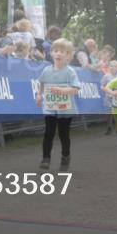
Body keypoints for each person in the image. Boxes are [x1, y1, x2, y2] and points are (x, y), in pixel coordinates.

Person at [36, 38, 80, 171]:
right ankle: (46, 159)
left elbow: (75, 89)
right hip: (50, 108)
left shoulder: (70, 72)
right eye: (56, 51)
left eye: (63, 52)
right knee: (48, 132)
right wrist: (39, 95)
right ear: (51, 53)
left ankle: (65, 157)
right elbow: (42, 83)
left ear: (69, 55)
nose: (59, 54)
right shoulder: (46, 70)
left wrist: (62, 91)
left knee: (63, 134)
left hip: (65, 110)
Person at [100, 60, 117, 135]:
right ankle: (109, 127)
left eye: (114, 66)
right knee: (109, 114)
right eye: (111, 66)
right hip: (108, 97)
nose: (112, 67)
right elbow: (102, 86)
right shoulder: (106, 76)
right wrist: (107, 91)